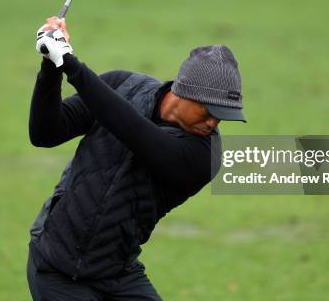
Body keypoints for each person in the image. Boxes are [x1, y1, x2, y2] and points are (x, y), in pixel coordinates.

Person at [27, 16, 245, 300]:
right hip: (58, 266)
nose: (214, 123)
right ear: (184, 92)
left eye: (223, 117)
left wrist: (70, 63)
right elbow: (45, 133)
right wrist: (51, 64)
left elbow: (134, 132)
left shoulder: (206, 155)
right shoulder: (123, 85)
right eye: (210, 112)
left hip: (118, 273)